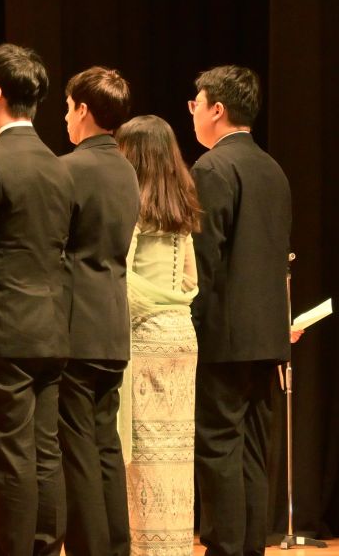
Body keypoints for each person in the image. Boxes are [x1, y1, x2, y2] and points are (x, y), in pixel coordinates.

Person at [0, 44, 74, 556]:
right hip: (51, 329)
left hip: (2, 331)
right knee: (45, 455)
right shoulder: (58, 165)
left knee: (10, 460)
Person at [188, 66, 291, 556]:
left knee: (219, 445)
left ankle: (226, 548)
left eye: (196, 103)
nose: (192, 112)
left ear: (217, 109)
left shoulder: (211, 168)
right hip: (267, 336)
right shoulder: (274, 169)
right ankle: (249, 547)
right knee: (252, 446)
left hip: (224, 336)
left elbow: (202, 261)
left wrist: (187, 326)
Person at [58, 66, 139, 556]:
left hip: (75, 323)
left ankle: (90, 549)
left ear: (83, 109)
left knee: (77, 447)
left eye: (68, 108)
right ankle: (116, 546)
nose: (66, 118)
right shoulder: (126, 170)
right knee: (106, 442)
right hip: (112, 321)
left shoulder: (70, 168)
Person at [115, 115, 202, 556]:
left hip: (146, 337)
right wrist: (175, 306)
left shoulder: (132, 204)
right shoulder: (181, 204)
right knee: (176, 456)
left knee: (145, 453)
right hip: (182, 335)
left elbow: (122, 275)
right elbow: (190, 280)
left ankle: (146, 548)